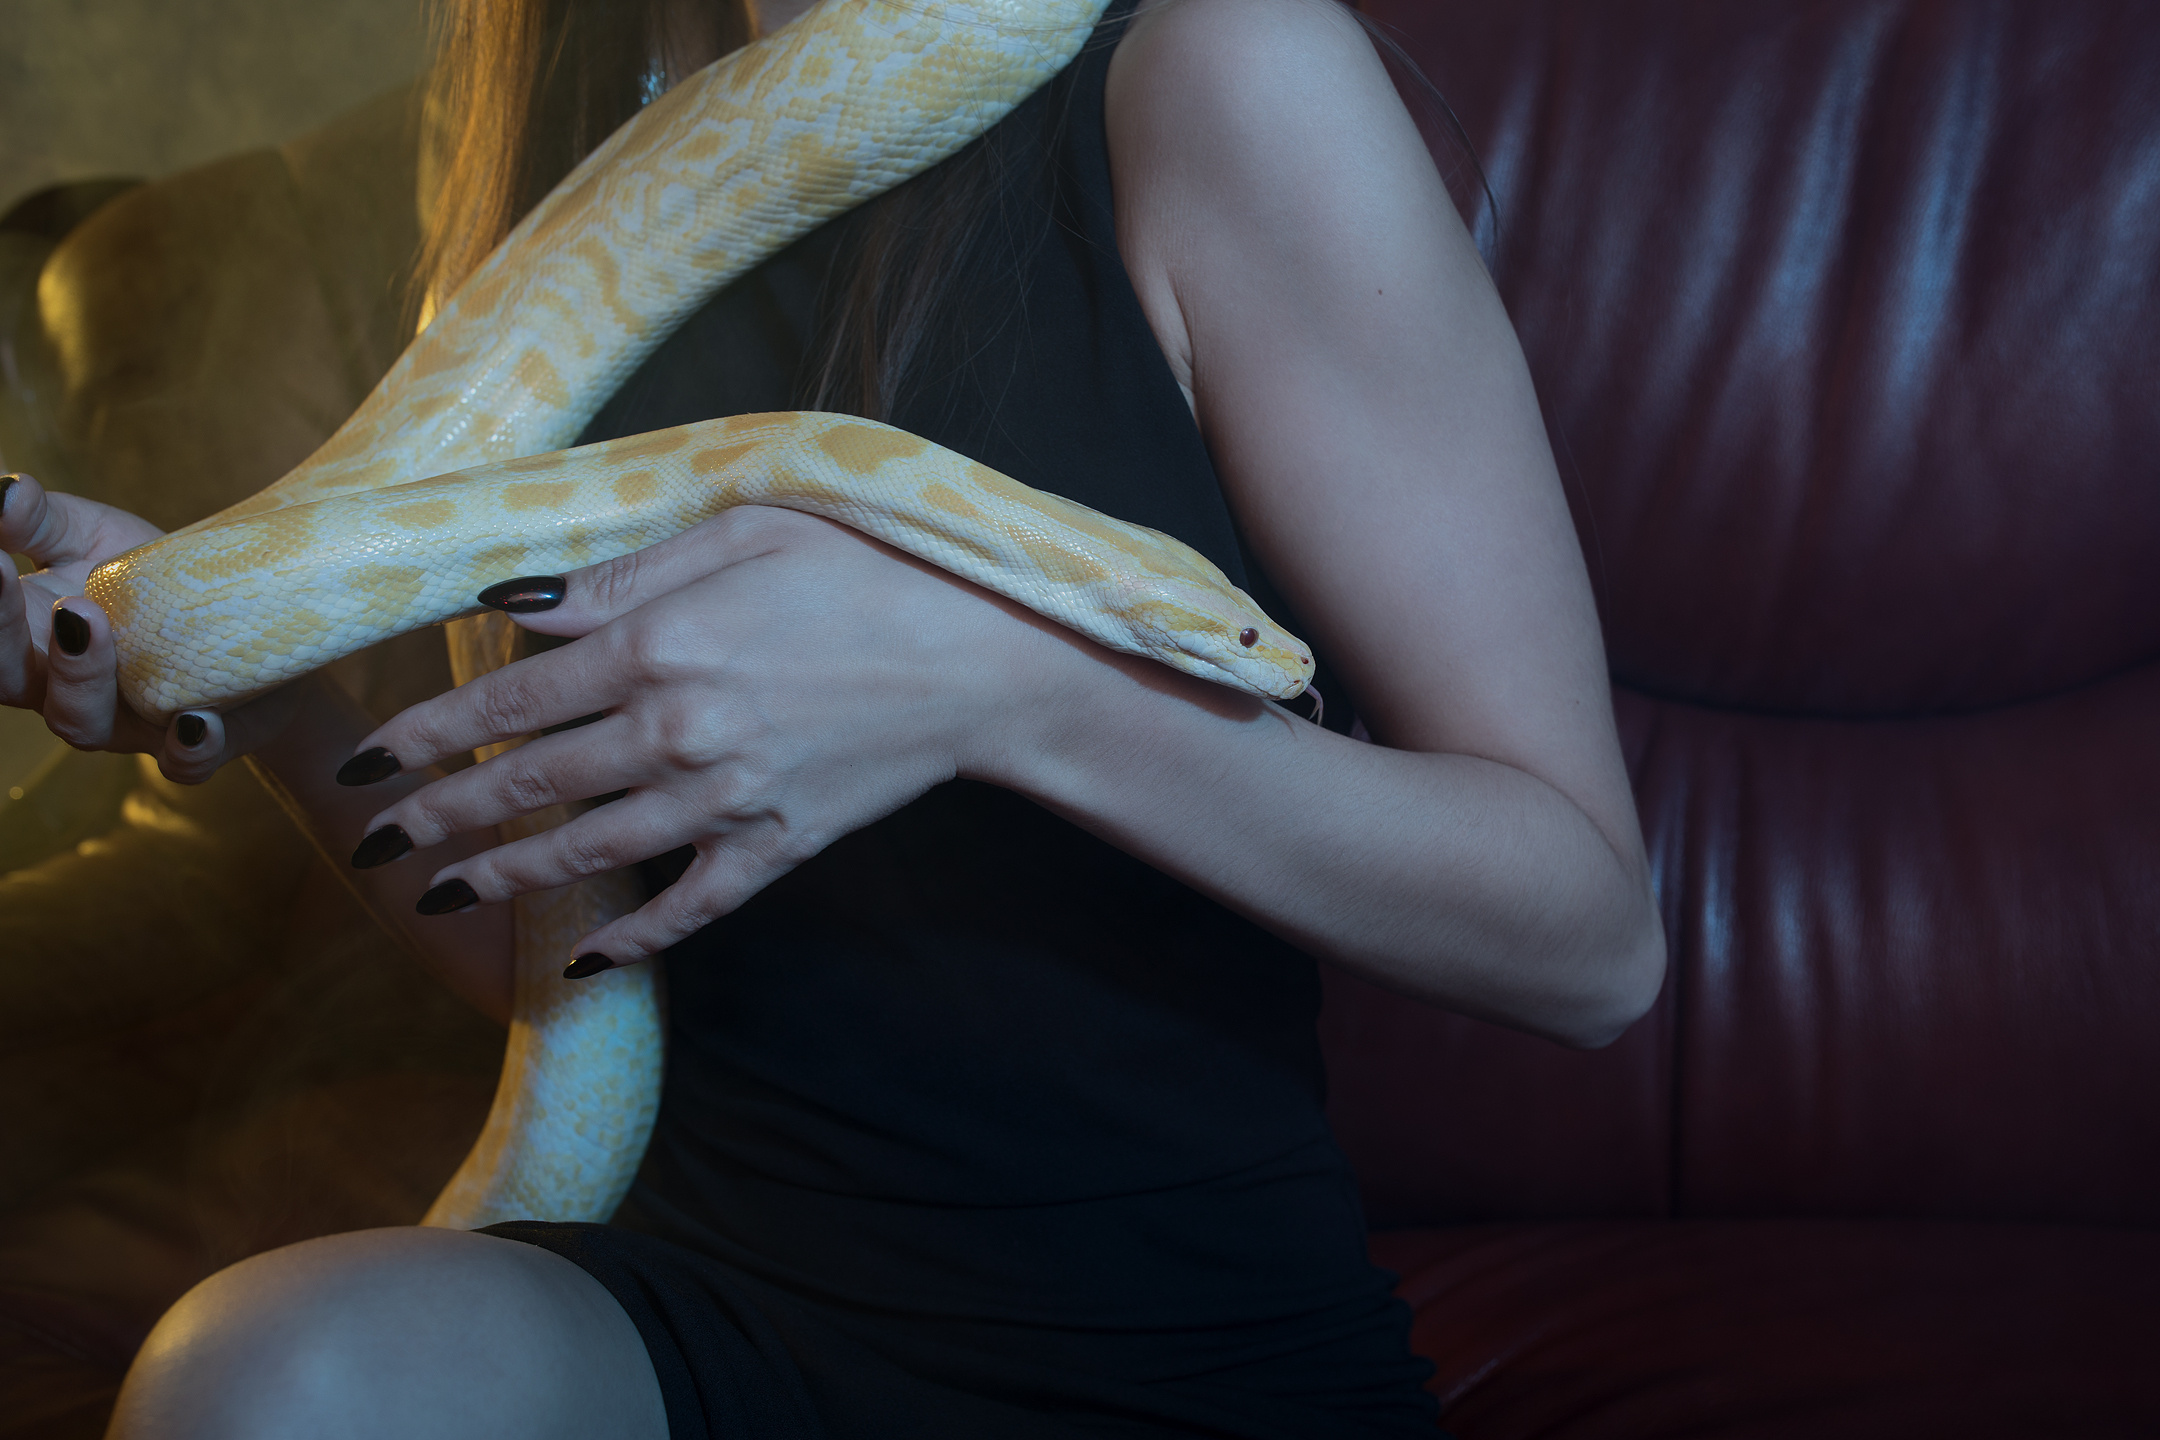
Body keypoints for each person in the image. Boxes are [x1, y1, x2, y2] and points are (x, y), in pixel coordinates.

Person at [0, 0, 1666, 1432]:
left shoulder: (1217, 71)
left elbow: (1590, 942)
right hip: (697, 1291)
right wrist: (273, 689)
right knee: (265, 1376)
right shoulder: (565, 171)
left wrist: (1004, 685)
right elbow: (580, 937)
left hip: (1163, 1330)